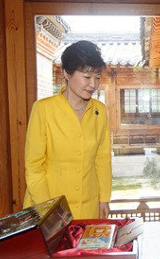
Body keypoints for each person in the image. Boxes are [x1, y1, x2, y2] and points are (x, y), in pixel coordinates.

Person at [23, 41, 112, 219]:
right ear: (66, 73)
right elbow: (34, 167)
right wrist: (49, 210)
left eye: (97, 77)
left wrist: (104, 199)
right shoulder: (44, 109)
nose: (93, 84)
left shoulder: (99, 110)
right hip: (47, 208)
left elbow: (102, 159)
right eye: (87, 77)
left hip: (88, 208)